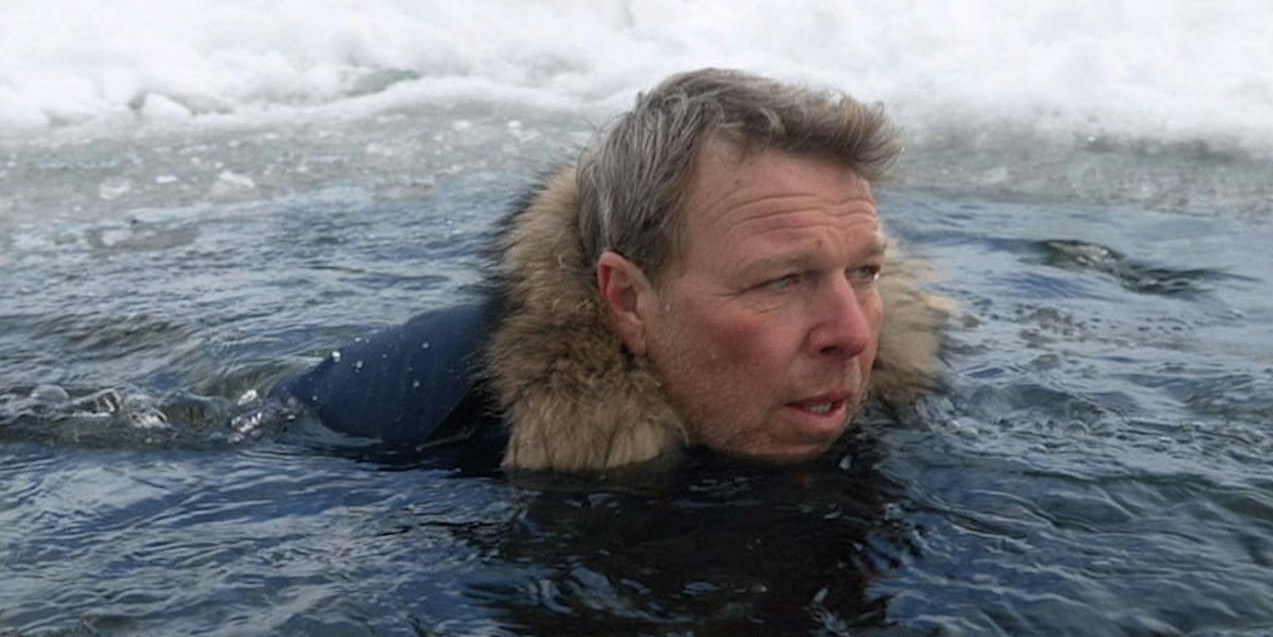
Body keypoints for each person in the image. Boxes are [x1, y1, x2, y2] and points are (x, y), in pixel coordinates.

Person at [277, 69, 947, 473]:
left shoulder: (894, 402)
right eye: (782, 281)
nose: (853, 335)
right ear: (626, 299)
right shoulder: (408, 416)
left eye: (864, 271)